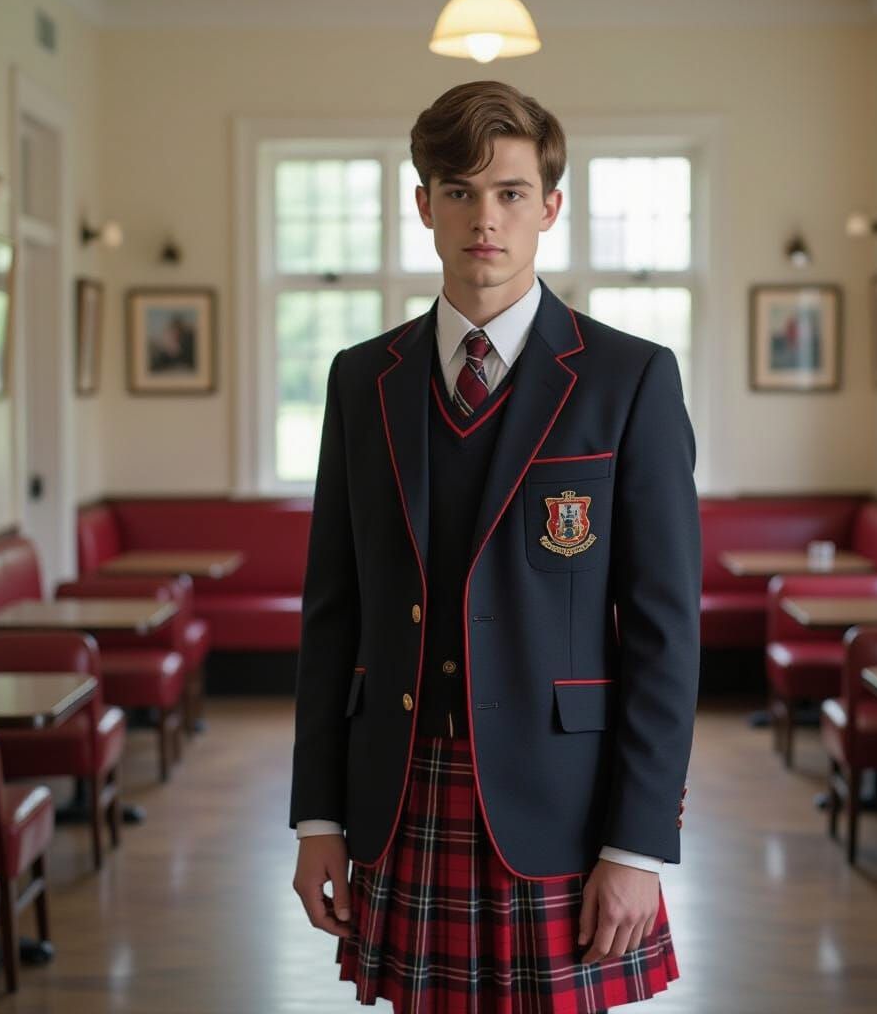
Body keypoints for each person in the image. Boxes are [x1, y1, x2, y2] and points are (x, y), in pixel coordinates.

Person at [289, 79, 701, 1014]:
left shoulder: (629, 379)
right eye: (462, 190)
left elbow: (664, 632)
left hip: (565, 805)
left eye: (511, 192)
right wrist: (318, 818)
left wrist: (637, 847)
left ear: (550, 207)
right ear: (423, 202)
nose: (487, 217)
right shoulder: (362, 381)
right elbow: (332, 613)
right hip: (401, 792)